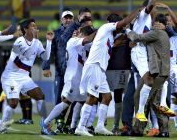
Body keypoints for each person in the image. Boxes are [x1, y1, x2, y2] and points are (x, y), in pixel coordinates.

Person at [75, 8, 140, 136]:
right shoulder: (106, 28)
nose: (119, 29)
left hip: (100, 69)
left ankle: (100, 126)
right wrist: (137, 12)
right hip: (94, 66)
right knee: (92, 97)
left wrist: (121, 38)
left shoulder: (109, 35)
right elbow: (123, 23)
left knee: (107, 97)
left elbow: (111, 43)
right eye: (118, 26)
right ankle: (80, 127)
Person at [0, 18, 55, 135]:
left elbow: (45, 57)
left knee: (40, 95)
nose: (35, 28)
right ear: (25, 29)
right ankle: (2, 125)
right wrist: (35, 39)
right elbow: (25, 54)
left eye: (35, 26)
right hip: (11, 76)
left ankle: (44, 125)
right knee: (14, 103)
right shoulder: (19, 42)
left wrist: (49, 42)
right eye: (32, 26)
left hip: (24, 76)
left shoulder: (37, 43)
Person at [43, 26, 96, 135]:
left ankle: (74, 127)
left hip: (79, 78)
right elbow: (87, 40)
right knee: (66, 102)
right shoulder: (73, 41)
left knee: (82, 101)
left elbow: (91, 43)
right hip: (73, 78)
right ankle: (46, 123)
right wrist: (100, 31)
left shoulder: (86, 44)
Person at [127, 13, 171, 137]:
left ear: (159, 23)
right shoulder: (163, 34)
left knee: (147, 99)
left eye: (155, 22)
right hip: (159, 72)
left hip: (157, 73)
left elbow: (137, 37)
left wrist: (127, 30)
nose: (153, 24)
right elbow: (147, 42)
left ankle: (147, 129)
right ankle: (160, 130)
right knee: (149, 100)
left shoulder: (156, 32)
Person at [42, 10, 74, 133]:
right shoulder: (56, 34)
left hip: (74, 72)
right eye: (66, 18)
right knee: (59, 98)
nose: (68, 20)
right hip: (61, 72)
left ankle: (69, 124)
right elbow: (49, 52)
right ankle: (59, 122)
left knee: (74, 99)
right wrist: (46, 67)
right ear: (61, 20)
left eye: (70, 18)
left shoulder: (77, 33)